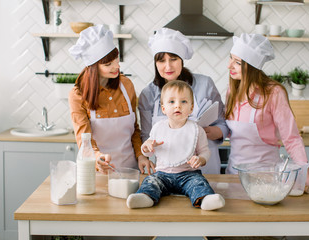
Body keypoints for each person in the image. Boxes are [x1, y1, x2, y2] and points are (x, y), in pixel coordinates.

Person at [225, 33, 309, 192]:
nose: (229, 65)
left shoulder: (273, 93)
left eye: (237, 62)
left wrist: (307, 176)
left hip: (266, 179)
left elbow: (291, 138)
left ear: (252, 66)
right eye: (230, 58)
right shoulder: (233, 90)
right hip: (233, 176)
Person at [138, 28, 229, 174]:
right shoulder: (147, 95)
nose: (168, 66)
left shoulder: (205, 85)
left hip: (205, 166)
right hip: (168, 171)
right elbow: (146, 135)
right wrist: (145, 153)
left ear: (181, 60)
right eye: (161, 60)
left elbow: (223, 124)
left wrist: (209, 132)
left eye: (173, 59)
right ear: (155, 63)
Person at [127, 80, 225, 210]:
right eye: (172, 102)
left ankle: (205, 199)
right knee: (150, 181)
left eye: (183, 102)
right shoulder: (158, 128)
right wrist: (146, 147)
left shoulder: (196, 130)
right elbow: (149, 152)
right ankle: (145, 197)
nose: (177, 106)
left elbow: (205, 152)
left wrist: (200, 159)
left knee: (199, 183)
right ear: (163, 108)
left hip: (188, 174)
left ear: (191, 108)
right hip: (162, 174)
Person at [68, 25, 153, 174]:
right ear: (93, 67)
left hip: (130, 170)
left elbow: (134, 130)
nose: (117, 66)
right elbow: (84, 139)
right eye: (108, 64)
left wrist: (141, 156)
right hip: (98, 171)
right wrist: (97, 158)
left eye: (116, 60)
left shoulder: (126, 85)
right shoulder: (78, 95)